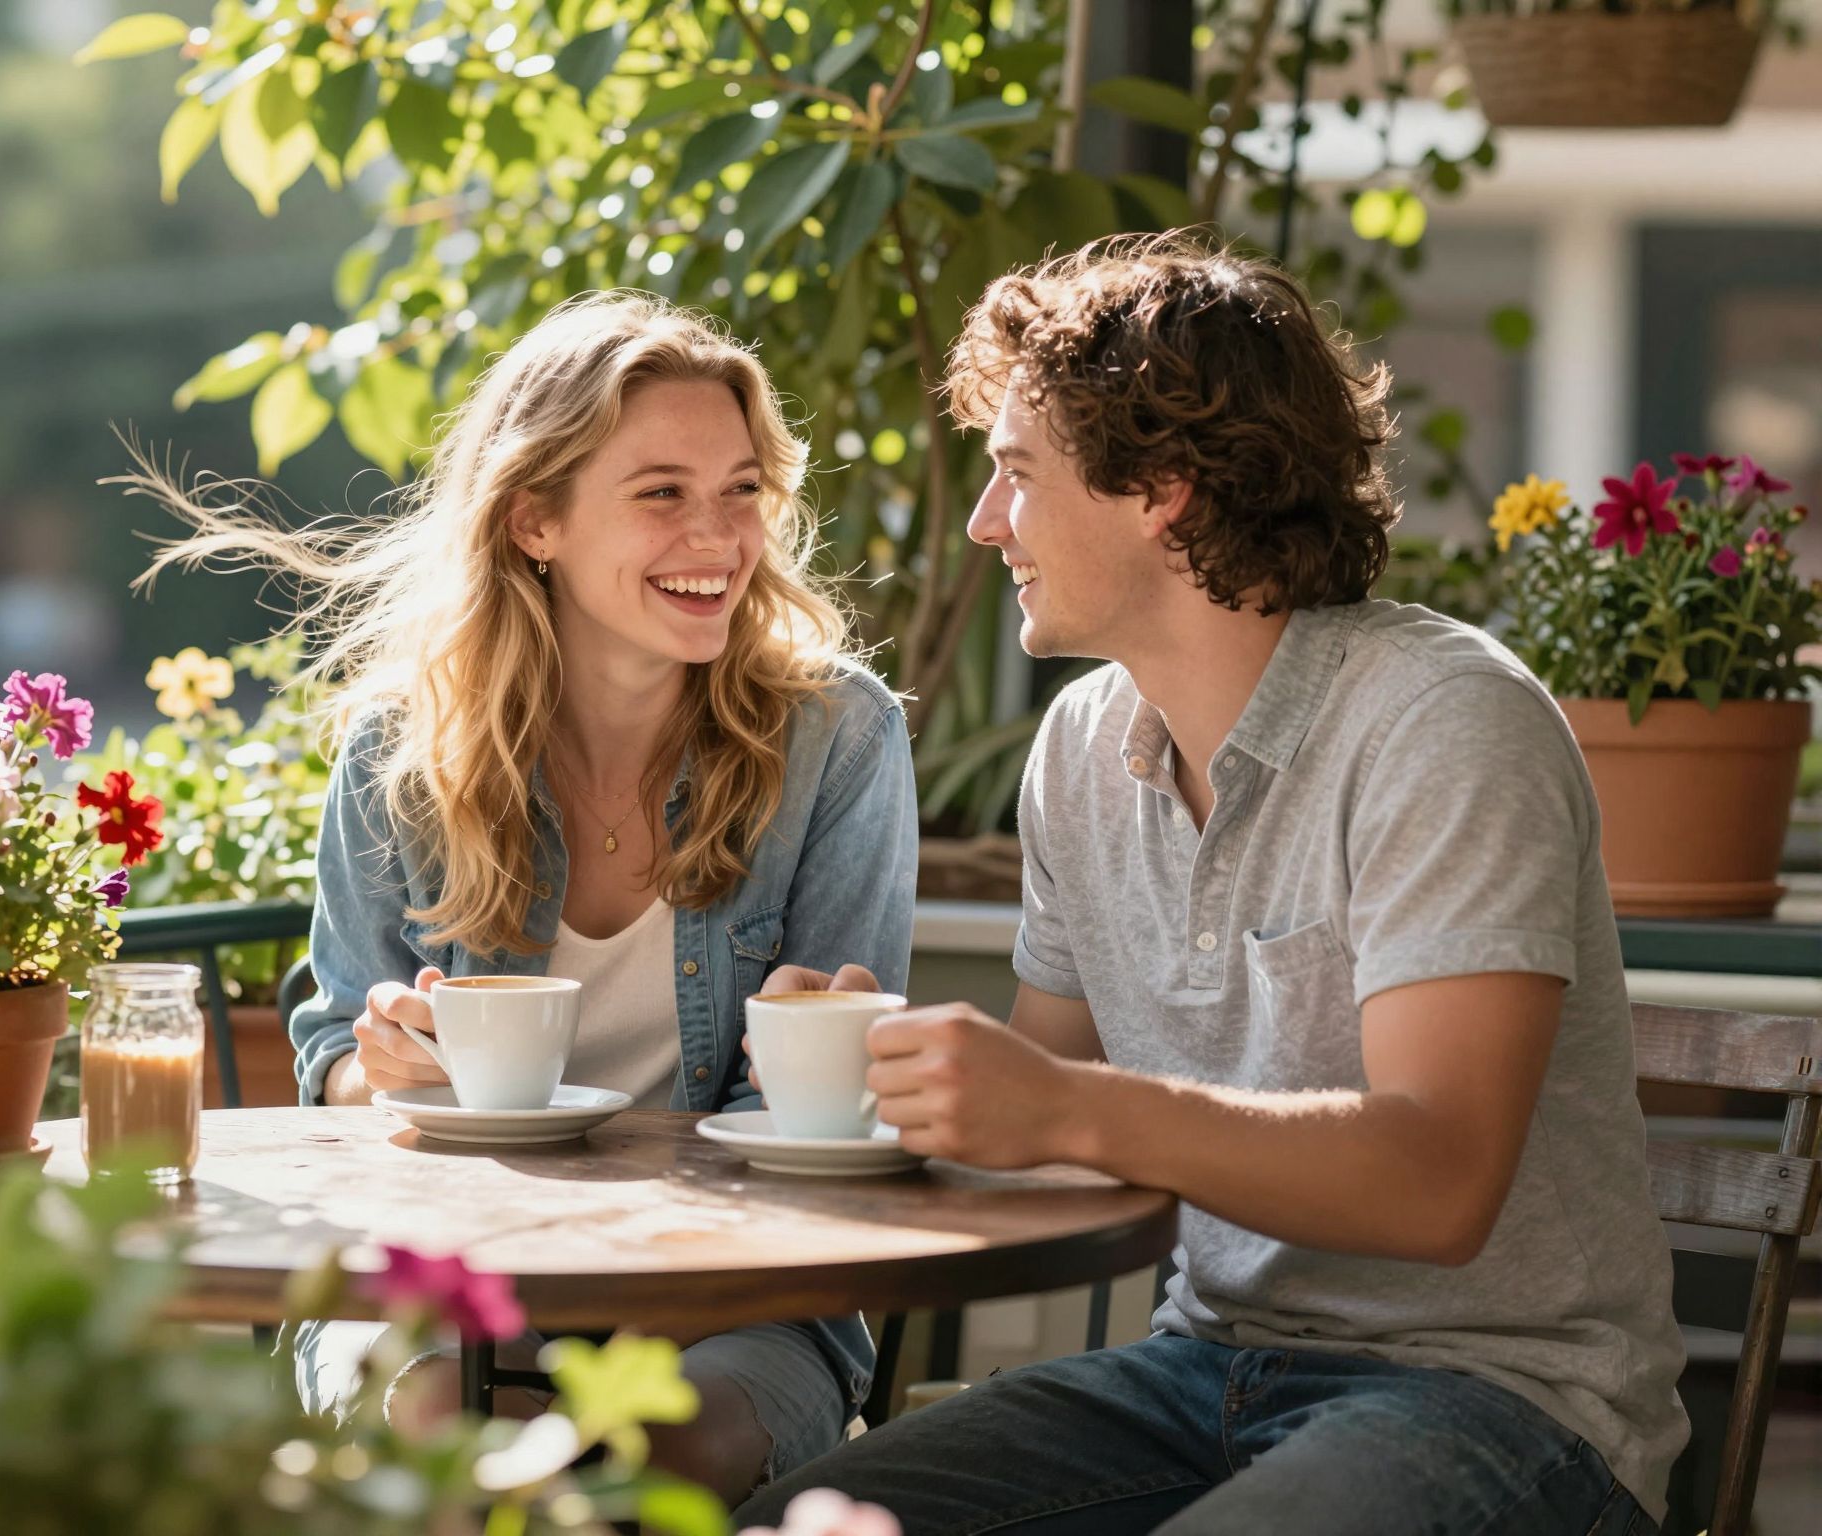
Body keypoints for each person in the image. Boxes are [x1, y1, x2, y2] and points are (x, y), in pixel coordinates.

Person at [734, 233, 1688, 1535]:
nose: (984, 522)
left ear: (1163, 487)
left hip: (1503, 1398)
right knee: (798, 1523)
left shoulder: (1444, 723)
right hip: (1203, 1370)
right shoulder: (1080, 750)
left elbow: (1438, 1181)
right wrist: (885, 1075)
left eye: (1016, 475)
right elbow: (1041, 1140)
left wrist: (1061, 1105)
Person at [137, 292, 917, 1504]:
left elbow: (823, 1104)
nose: (716, 534)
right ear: (533, 520)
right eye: (660, 492)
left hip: (740, 1288)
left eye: (742, 488)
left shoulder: (837, 736)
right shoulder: (405, 748)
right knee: (441, 1435)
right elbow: (338, 1051)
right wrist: (380, 1063)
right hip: (448, 1273)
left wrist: (839, 1042)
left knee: (681, 1450)